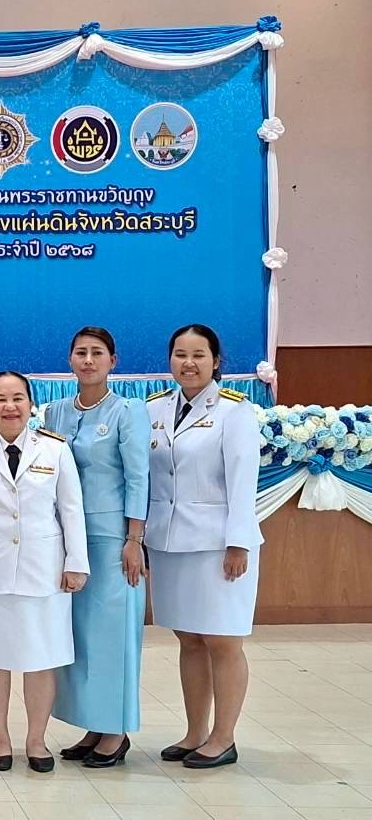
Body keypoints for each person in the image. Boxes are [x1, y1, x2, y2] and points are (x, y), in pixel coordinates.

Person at [0, 371, 89, 774]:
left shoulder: (55, 450)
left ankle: (36, 739)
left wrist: (76, 563)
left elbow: (71, 510)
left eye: (17, 398)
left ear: (32, 404)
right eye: (0, 399)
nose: (10, 407)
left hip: (44, 570)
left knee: (41, 658)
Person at [146, 324, 263, 769]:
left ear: (216, 361)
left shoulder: (236, 413)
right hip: (170, 542)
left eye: (198, 355)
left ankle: (223, 736)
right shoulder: (155, 409)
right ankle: (195, 732)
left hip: (218, 546)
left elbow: (242, 483)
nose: (188, 363)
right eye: (180, 354)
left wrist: (238, 542)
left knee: (222, 639)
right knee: (188, 638)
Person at [44, 327, 149, 767]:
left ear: (112, 360)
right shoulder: (55, 413)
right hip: (66, 539)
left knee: (113, 636)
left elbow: (139, 477)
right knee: (80, 637)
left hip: (111, 540)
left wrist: (134, 539)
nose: (88, 360)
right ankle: (93, 723)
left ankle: (116, 731)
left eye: (97, 353)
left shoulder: (128, 411)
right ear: (70, 360)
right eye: (80, 352)